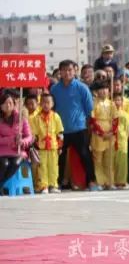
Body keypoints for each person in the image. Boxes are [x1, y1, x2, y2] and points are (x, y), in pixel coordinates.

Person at [50, 60, 98, 190]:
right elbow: (51, 109)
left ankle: (92, 181)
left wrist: (89, 127)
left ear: (75, 71)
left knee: (85, 155)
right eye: (64, 70)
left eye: (70, 70)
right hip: (60, 130)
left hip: (79, 128)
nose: (67, 73)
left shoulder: (82, 87)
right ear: (60, 72)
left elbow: (89, 109)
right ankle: (57, 183)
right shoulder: (54, 89)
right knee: (60, 157)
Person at [30, 94, 64, 194]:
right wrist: (36, 146)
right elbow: (35, 135)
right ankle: (43, 185)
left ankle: (53, 185)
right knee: (42, 167)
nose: (46, 105)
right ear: (40, 104)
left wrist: (60, 146)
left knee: (53, 166)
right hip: (41, 147)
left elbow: (60, 133)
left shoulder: (56, 116)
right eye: (43, 102)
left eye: (48, 102)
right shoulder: (36, 118)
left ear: (52, 104)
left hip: (53, 146)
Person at [0, 93, 32, 193]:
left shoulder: (21, 118)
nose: (7, 105)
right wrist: (11, 139)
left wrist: (22, 141)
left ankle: (1, 184)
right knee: (4, 164)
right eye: (4, 103)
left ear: (14, 104)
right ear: (1, 106)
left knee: (15, 163)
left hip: (17, 151)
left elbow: (29, 136)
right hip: (2, 151)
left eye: (10, 102)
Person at [89, 82, 116, 191]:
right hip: (98, 135)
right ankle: (100, 181)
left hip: (110, 134)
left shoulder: (112, 104)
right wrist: (101, 133)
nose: (104, 91)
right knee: (98, 160)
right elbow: (92, 120)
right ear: (96, 92)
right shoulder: (93, 104)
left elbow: (116, 119)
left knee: (109, 160)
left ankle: (110, 182)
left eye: (106, 89)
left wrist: (112, 132)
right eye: (101, 89)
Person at [113, 93, 129, 189]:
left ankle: (121, 180)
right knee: (112, 160)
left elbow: (127, 126)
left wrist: (126, 135)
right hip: (112, 139)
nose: (117, 102)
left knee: (122, 161)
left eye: (119, 100)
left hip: (122, 139)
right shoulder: (110, 113)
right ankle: (112, 180)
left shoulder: (125, 115)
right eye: (115, 100)